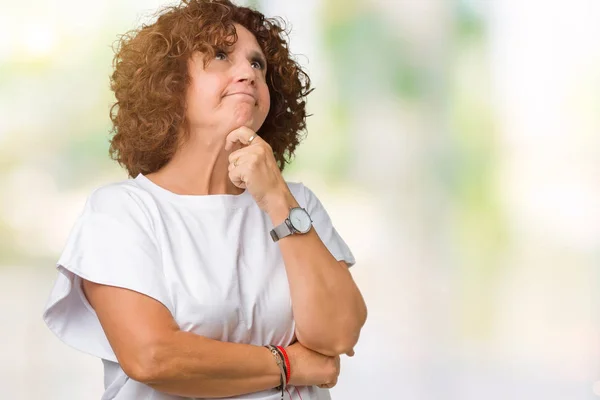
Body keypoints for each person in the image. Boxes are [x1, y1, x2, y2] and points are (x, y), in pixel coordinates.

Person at [42, 0, 367, 399]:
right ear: (170, 84)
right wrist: (290, 364)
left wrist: (277, 198)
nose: (248, 73)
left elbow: (337, 334)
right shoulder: (122, 211)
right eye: (219, 55)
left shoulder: (298, 204)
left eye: (258, 65)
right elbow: (153, 357)